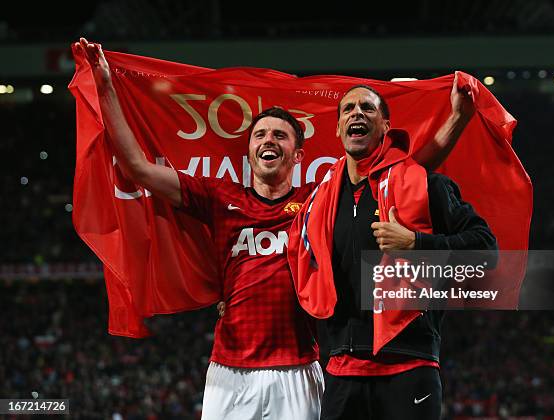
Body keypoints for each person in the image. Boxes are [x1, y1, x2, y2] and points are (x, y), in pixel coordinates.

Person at [76, 37, 476, 419]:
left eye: (280, 135)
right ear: (249, 151)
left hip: (299, 368)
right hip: (228, 371)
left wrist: (457, 119)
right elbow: (139, 169)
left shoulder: (321, 197)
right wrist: (107, 87)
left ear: (297, 153)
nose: (269, 140)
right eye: (260, 135)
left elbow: (408, 170)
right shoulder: (218, 196)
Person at [287, 85, 498, 420]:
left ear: (386, 126)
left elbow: (487, 250)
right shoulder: (319, 203)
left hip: (409, 364)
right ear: (339, 129)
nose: (356, 113)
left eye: (367, 108)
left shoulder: (425, 185)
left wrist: (417, 243)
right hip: (342, 368)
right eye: (348, 109)